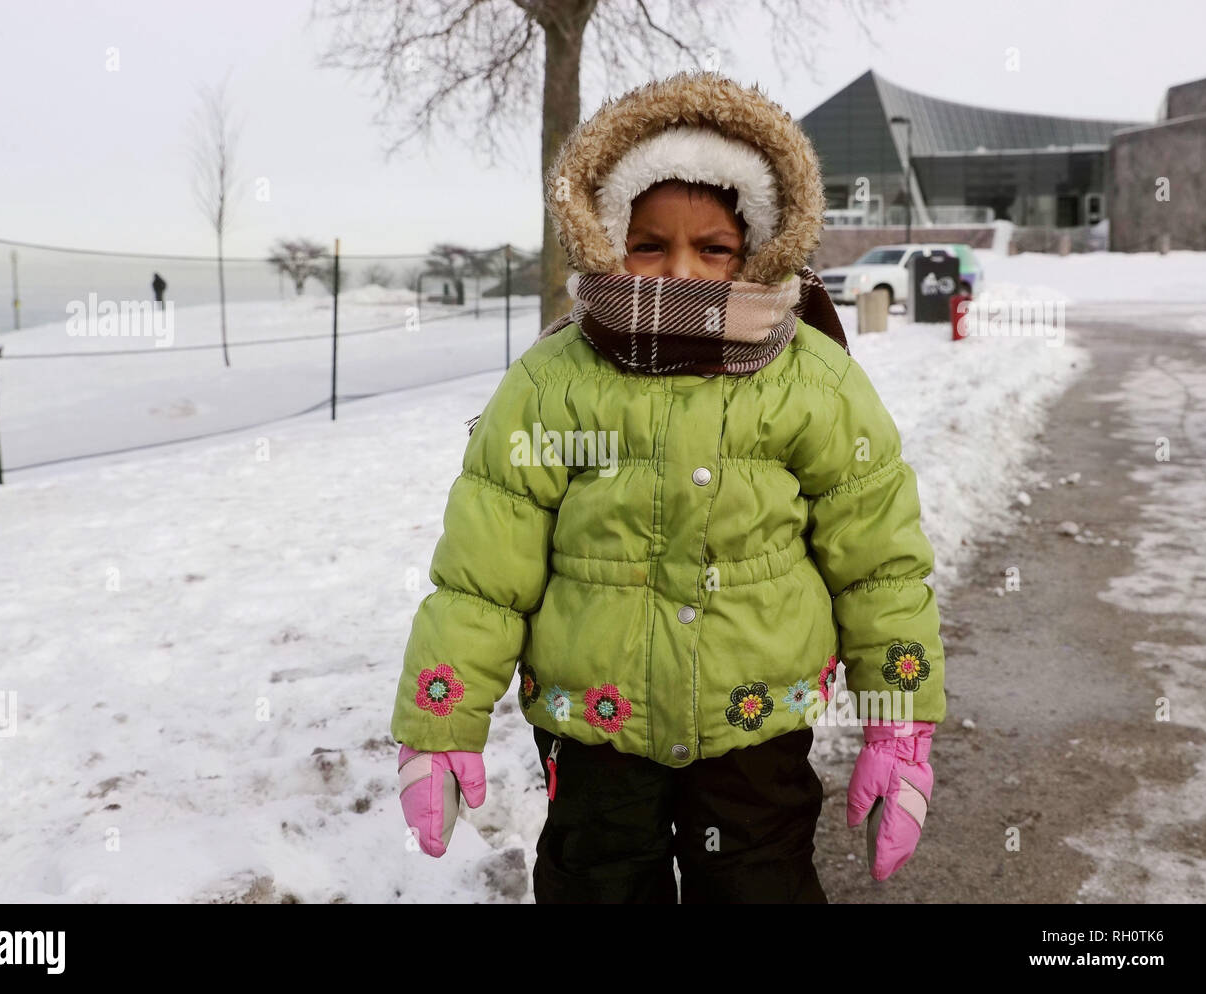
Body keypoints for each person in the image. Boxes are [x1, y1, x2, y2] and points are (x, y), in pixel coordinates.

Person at [390, 72, 944, 903]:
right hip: (595, 727)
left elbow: (878, 564)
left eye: (713, 248)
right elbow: (483, 574)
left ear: (759, 246)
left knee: (760, 884)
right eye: (649, 243)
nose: (679, 270)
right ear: (605, 236)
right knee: (598, 883)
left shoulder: (814, 381)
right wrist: (441, 721)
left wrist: (898, 719)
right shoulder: (553, 381)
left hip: (754, 725)